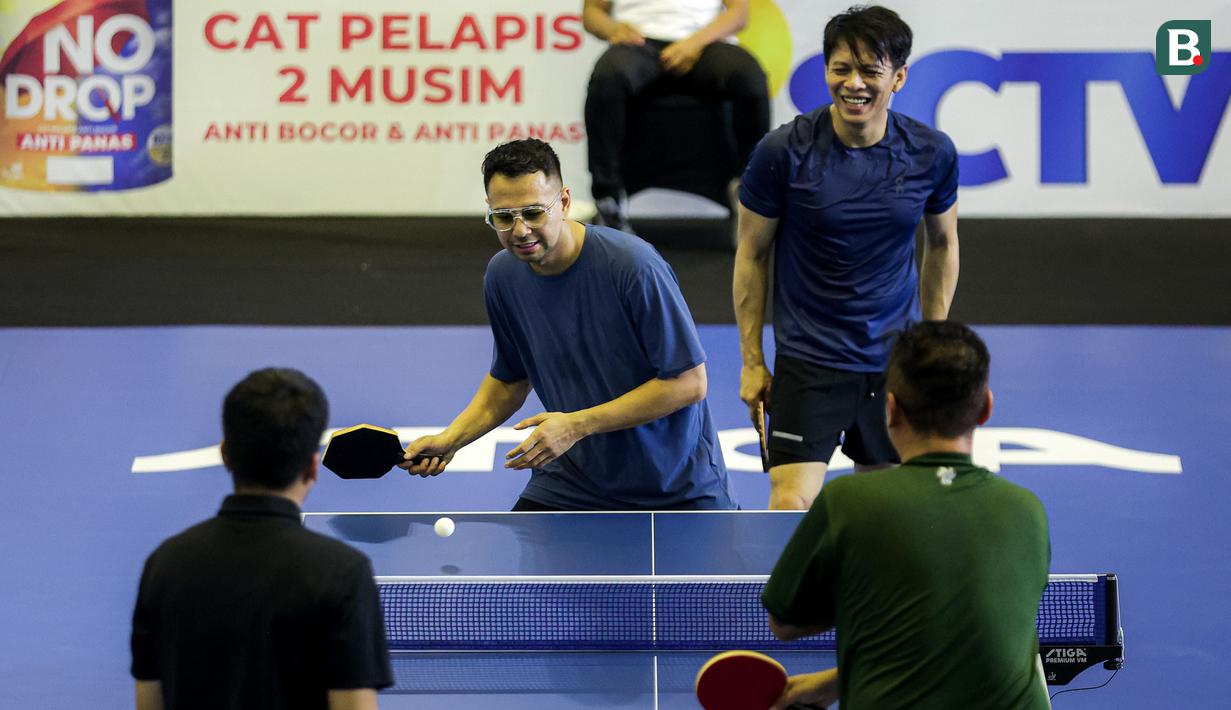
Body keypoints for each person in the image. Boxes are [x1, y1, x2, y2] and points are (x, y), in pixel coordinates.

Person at [401, 139, 736, 511]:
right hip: (571, 482)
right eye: (503, 217)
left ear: (563, 202)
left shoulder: (633, 267)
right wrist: (451, 439)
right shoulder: (502, 275)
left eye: (533, 213)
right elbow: (510, 380)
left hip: (673, 486)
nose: (520, 230)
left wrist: (576, 425)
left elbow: (689, 382)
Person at [733, 5, 960, 510]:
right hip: (809, 360)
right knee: (790, 505)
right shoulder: (781, 152)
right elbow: (751, 254)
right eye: (841, 69)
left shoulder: (931, 153)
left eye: (870, 72)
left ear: (898, 77)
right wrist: (752, 361)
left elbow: (943, 245)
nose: (853, 84)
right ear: (826, 71)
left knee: (886, 509)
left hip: (893, 362)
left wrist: (932, 344)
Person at [761, 322, 1051, 709]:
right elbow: (959, 631)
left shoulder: (848, 501)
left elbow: (784, 623)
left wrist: (867, 596)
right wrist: (833, 684)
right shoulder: (1027, 511)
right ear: (985, 407)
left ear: (890, 409)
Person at [131, 368, 392, 710]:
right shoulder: (342, 573)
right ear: (313, 467)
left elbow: (149, 703)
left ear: (225, 454)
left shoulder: (164, 564)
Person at [582, 0, 770, 231]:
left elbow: (739, 14)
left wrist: (695, 42)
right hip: (637, 42)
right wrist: (612, 29)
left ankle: (748, 190)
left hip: (704, 41)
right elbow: (592, 12)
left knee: (749, 79)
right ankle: (607, 198)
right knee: (606, 81)